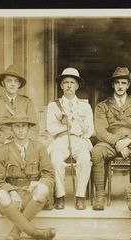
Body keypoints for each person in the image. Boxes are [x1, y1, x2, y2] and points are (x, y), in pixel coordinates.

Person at [0, 114, 56, 240]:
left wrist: (40, 182)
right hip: (12, 199)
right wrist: (11, 191)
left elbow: (49, 175)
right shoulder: (2, 150)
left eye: (24, 126)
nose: (20, 130)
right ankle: (35, 232)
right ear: (11, 130)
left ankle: (16, 232)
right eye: (17, 126)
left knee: (43, 190)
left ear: (29, 128)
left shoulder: (40, 148)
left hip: (31, 196)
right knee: (0, 195)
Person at [91, 67, 131, 210]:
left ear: (128, 85)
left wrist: (127, 141)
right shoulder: (103, 105)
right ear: (112, 85)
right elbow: (100, 131)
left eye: (123, 83)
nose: (120, 86)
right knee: (96, 152)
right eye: (117, 83)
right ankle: (100, 196)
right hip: (110, 143)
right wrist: (117, 142)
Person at [46, 67, 94, 210]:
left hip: (79, 140)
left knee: (85, 161)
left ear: (77, 86)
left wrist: (75, 130)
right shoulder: (54, 106)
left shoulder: (85, 106)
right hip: (60, 140)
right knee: (55, 161)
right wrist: (69, 127)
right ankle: (59, 196)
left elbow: (90, 130)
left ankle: (80, 196)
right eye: (65, 82)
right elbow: (51, 128)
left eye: (72, 82)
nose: (68, 85)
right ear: (61, 86)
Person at [0, 64, 38, 158]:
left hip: (23, 141)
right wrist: (6, 140)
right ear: (3, 83)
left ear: (19, 84)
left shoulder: (27, 102)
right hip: (1, 142)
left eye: (16, 81)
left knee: (38, 151)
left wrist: (22, 141)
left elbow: (34, 127)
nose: (13, 84)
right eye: (9, 81)